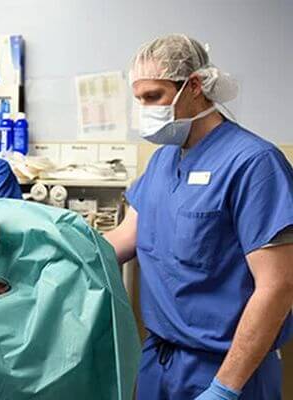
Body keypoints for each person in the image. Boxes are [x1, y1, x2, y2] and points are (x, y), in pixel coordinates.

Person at [104, 34, 293, 400]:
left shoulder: (254, 164)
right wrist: (45, 242)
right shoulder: (163, 160)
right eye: (139, 99)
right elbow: (121, 240)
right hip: (159, 362)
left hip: (228, 369)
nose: (144, 110)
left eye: (153, 97)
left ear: (193, 86)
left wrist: (224, 388)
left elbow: (278, 286)